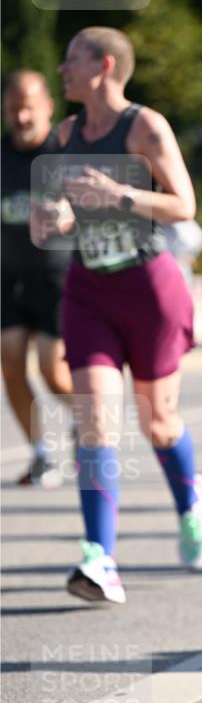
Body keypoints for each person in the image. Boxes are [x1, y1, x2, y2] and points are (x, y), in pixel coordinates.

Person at [30, 27, 202, 604]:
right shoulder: (64, 133)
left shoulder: (144, 126)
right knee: (94, 420)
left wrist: (117, 194)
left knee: (157, 421)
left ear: (105, 66)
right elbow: (63, 210)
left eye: (72, 61)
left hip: (149, 288)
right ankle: (100, 559)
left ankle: (191, 501)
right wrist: (55, 220)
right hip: (89, 289)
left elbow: (183, 203)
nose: (62, 71)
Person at [1, 70, 73, 486]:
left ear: (47, 107)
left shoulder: (64, 154)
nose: (21, 117)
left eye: (28, 107)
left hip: (58, 278)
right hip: (8, 277)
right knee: (10, 364)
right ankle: (41, 454)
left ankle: (87, 423)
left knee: (53, 370)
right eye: (13, 109)